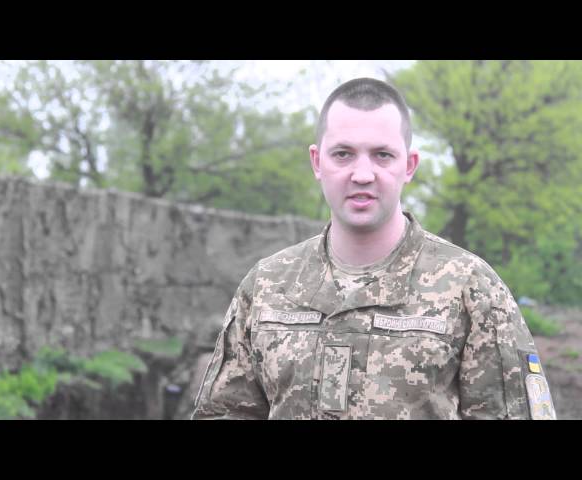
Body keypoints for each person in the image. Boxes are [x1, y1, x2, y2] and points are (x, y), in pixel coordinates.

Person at [191, 77, 556, 420]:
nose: (362, 174)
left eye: (382, 155)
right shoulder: (267, 285)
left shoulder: (470, 288)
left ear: (409, 165)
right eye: (343, 154)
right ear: (317, 162)